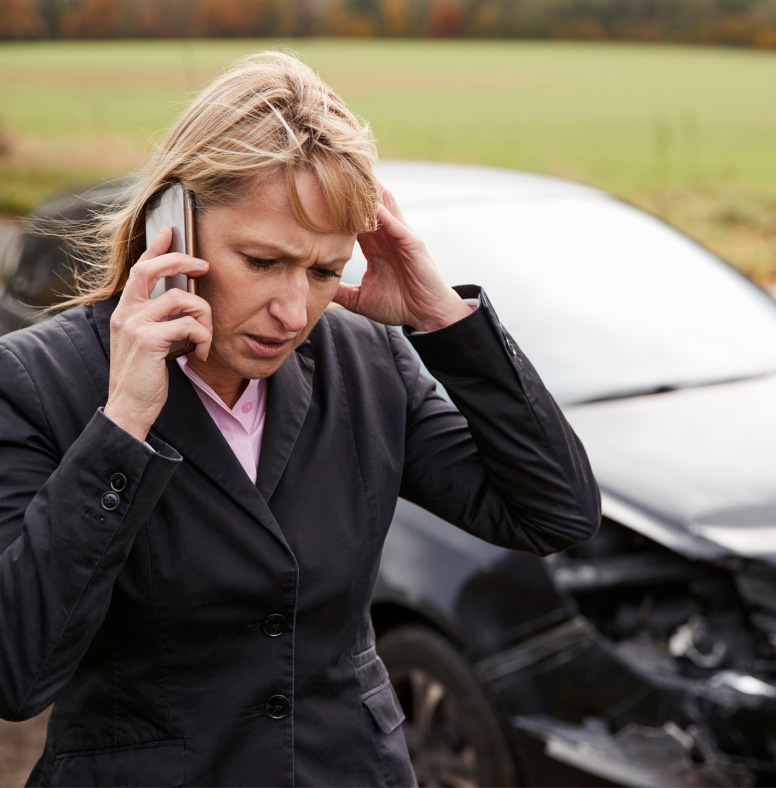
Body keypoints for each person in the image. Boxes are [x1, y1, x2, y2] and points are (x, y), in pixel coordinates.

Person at [0, 52, 600, 787]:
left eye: (323, 271)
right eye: (261, 260)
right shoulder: (37, 383)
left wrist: (445, 320)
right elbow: (16, 671)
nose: (292, 312)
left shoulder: (369, 363)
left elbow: (555, 514)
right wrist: (122, 424)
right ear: (174, 227)